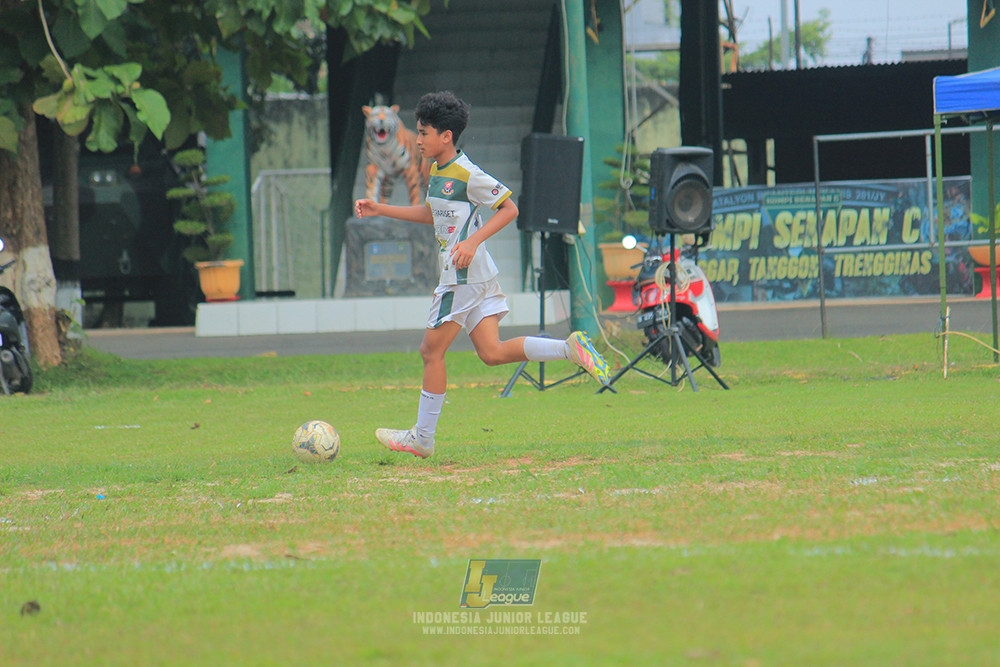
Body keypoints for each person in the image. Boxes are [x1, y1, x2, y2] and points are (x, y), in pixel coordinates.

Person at [354, 91, 610, 459]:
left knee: (430, 351)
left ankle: (422, 438)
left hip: (462, 276)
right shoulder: (438, 171)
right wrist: (381, 208)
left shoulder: (467, 173)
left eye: (424, 133)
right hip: (476, 275)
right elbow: (432, 214)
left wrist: (472, 241)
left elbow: (509, 209)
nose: (419, 140)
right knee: (491, 353)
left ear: (446, 137)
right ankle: (568, 349)